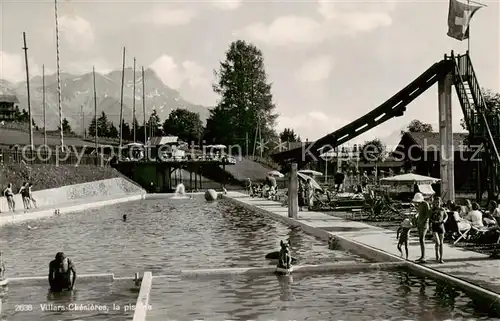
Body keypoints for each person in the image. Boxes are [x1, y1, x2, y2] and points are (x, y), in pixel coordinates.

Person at [413, 192, 431, 263]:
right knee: (420, 239)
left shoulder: (425, 204)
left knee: (422, 239)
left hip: (424, 224)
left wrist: (423, 221)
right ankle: (422, 256)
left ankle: (423, 256)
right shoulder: (419, 204)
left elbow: (428, 214)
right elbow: (419, 212)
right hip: (419, 223)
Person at [430, 197, 447, 263]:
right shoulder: (432, 210)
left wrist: (444, 220)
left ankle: (441, 258)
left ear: (440, 202)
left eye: (438, 202)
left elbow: (446, 216)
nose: (437, 204)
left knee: (441, 243)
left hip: (441, 227)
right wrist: (433, 221)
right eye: (435, 202)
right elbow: (429, 218)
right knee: (438, 242)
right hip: (434, 227)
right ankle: (437, 253)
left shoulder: (442, 209)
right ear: (434, 203)